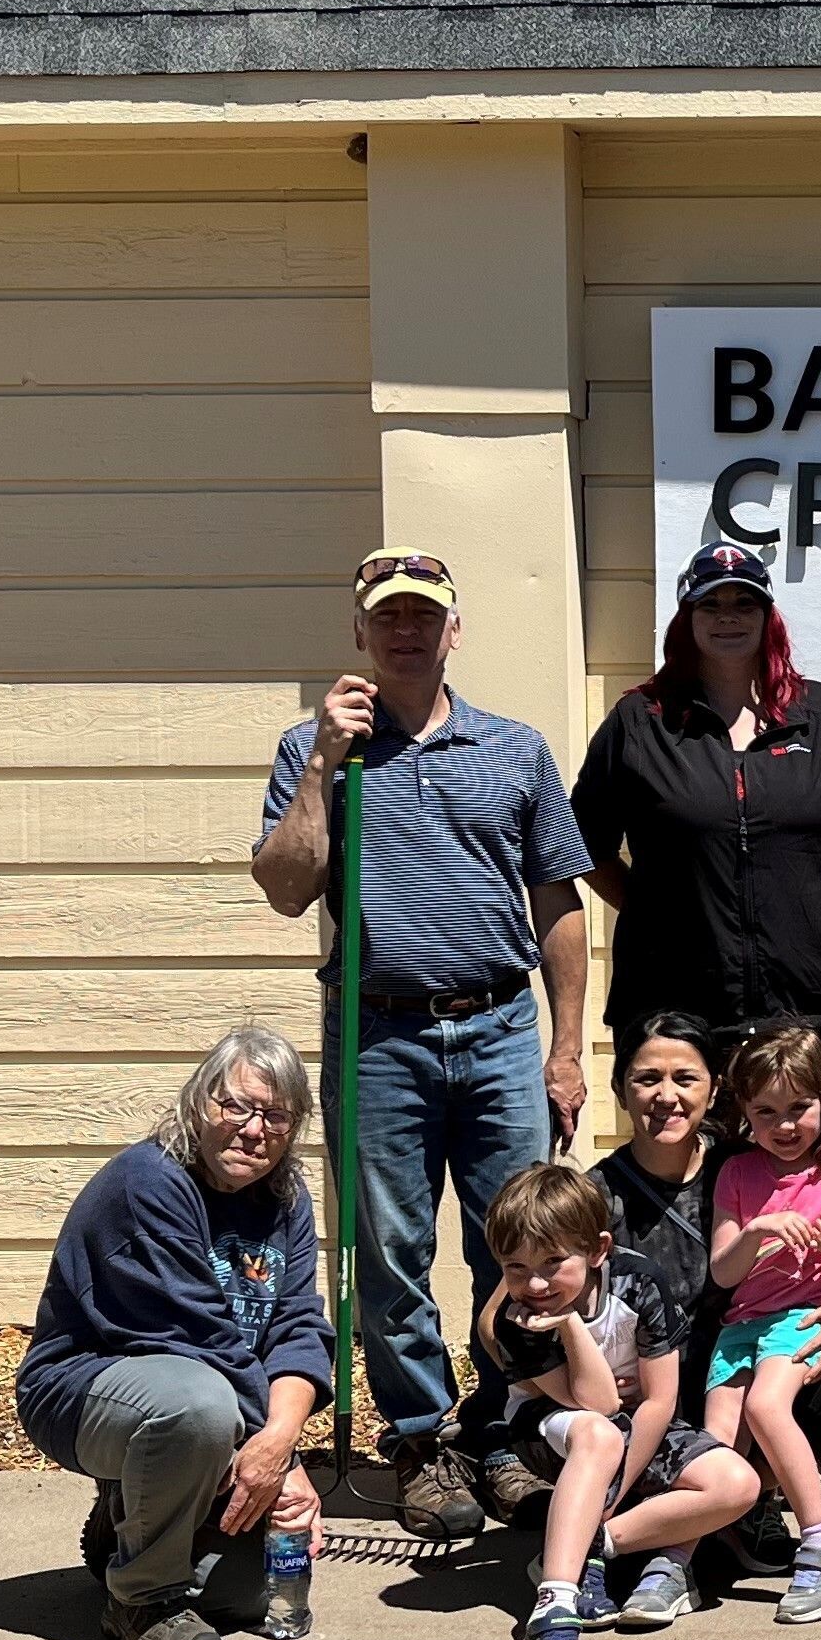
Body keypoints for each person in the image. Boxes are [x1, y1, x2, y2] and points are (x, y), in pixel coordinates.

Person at [252, 545, 594, 1548]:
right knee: (390, 1248)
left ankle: (500, 1429)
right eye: (387, 616)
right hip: (379, 1030)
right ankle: (420, 1439)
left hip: (497, 1026)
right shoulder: (317, 750)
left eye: (424, 615)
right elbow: (283, 885)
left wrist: (567, 1048)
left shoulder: (514, 749)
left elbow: (558, 905)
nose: (406, 630)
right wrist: (322, 761)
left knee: (520, 1245)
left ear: (454, 630)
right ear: (361, 630)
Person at [15, 1027, 336, 1640]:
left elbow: (298, 1328)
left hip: (217, 1399)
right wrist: (284, 1460)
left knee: (243, 1595)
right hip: (84, 1391)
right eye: (236, 1106)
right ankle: (142, 1600)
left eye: (275, 1116)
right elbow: (200, 1337)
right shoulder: (150, 1182)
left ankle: (124, 1524)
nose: (253, 1129)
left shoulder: (287, 1200)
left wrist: (277, 1441)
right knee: (197, 1404)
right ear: (197, 1104)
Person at [572, 539, 821, 1102]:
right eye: (710, 605)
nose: (728, 618)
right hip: (678, 1014)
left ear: (768, 618)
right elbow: (581, 843)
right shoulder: (641, 721)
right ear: (685, 620)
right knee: (691, 1184)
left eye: (743, 604)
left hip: (816, 1009)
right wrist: (656, 903)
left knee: (811, 1181)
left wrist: (816, 885)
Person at [459, 1166, 742, 1640]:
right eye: (515, 1267)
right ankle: (553, 1611)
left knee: (735, 1483)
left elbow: (660, 1400)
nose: (536, 1285)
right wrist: (567, 1324)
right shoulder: (515, 1320)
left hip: (638, 1431)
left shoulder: (640, 1282)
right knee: (599, 1433)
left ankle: (590, 1544)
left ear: (598, 1250)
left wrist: (612, 1498)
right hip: (550, 1433)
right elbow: (597, 1401)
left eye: (552, 1263)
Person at [593, 1015, 821, 1506]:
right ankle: (672, 1509)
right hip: (641, 1384)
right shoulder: (593, 1194)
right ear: (621, 1089)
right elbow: (500, 1319)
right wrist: (582, 1372)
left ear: (715, 1090)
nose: (667, 1096)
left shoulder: (754, 1164)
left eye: (685, 1079)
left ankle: (752, 1499)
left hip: (734, 1355)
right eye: (647, 1079)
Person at [699, 1021, 821, 1623]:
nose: (784, 1126)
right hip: (741, 1324)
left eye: (799, 1108)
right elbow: (723, 1273)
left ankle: (820, 1543)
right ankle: (680, 1555)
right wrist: (757, 1230)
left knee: (766, 1406)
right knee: (718, 1441)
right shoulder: (738, 1175)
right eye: (766, 1112)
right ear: (744, 1114)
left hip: (802, 1318)